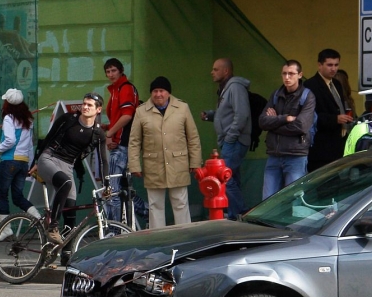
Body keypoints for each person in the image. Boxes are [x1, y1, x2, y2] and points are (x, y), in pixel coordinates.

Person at [31, 93, 109, 242]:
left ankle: (66, 254)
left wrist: (107, 185)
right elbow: (48, 138)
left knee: (71, 210)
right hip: (49, 158)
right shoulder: (68, 119)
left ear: (98, 110)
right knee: (66, 183)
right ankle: (52, 226)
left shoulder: (98, 133)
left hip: (68, 165)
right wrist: (36, 161)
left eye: (90, 105)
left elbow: (103, 161)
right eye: (84, 103)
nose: (85, 107)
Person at [129, 76, 203, 229]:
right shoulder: (141, 111)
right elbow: (134, 141)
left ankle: (185, 237)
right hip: (153, 165)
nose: (158, 94)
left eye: (161, 91)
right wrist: (134, 165)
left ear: (168, 93)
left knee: (180, 203)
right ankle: (159, 240)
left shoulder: (182, 108)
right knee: (155, 205)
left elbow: (193, 137)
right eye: (155, 91)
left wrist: (195, 162)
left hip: (178, 163)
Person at [202, 58, 251, 220]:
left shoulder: (235, 87)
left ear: (226, 71)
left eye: (216, 69)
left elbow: (242, 114)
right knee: (232, 179)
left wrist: (230, 137)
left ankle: (241, 213)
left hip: (234, 141)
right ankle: (235, 215)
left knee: (225, 179)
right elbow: (228, 114)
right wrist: (211, 116)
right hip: (230, 140)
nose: (212, 72)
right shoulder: (225, 88)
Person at [259, 60, 316, 199]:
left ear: (300, 75)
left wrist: (273, 124)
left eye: (291, 73)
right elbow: (262, 122)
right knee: (267, 201)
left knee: (294, 200)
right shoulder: (275, 95)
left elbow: (301, 126)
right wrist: (284, 118)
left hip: (295, 155)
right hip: (274, 155)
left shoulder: (307, 96)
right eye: (284, 73)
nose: (287, 77)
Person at [102, 58, 146, 222]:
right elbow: (121, 117)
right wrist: (108, 128)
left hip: (121, 145)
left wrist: (109, 134)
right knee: (120, 188)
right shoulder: (116, 90)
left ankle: (113, 231)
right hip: (120, 142)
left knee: (111, 190)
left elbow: (127, 116)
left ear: (121, 70)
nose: (111, 74)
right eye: (108, 71)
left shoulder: (125, 88)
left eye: (113, 70)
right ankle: (147, 212)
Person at [0, 88, 40, 240]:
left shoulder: (9, 118)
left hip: (9, 161)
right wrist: (30, 163)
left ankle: (6, 229)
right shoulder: (28, 120)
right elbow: (29, 145)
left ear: (7, 103)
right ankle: (38, 218)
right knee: (18, 196)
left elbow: (10, 140)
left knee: (2, 195)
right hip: (23, 162)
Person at [304, 48, 353, 172]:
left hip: (338, 143)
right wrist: (335, 119)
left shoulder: (336, 84)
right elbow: (309, 116)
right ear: (319, 65)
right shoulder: (310, 85)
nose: (333, 69)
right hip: (321, 147)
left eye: (336, 65)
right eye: (329, 65)